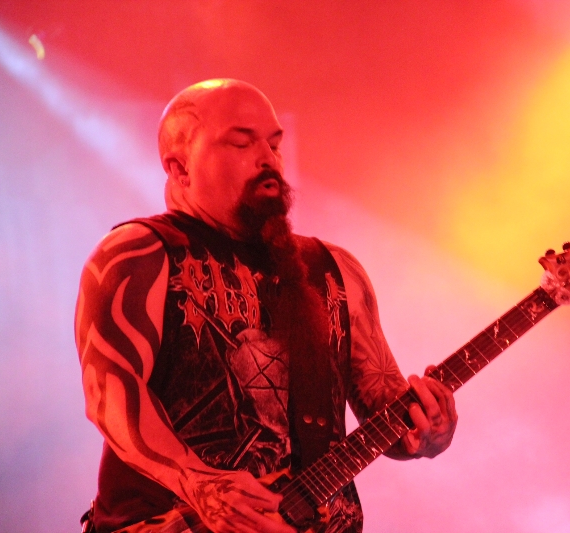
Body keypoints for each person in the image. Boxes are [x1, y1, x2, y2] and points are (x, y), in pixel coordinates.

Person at [75, 79, 457, 533]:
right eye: (241, 143)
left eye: (274, 144)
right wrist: (197, 482)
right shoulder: (140, 253)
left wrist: (426, 429)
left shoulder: (333, 270)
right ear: (180, 167)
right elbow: (109, 393)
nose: (268, 159)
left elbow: (384, 406)